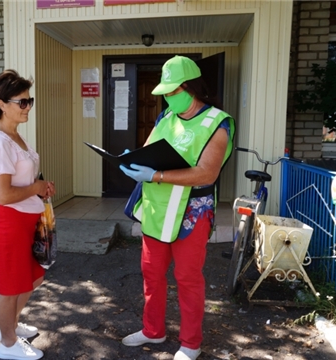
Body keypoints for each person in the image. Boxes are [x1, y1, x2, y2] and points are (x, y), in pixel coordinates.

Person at [119, 55, 235, 360]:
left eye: (173, 92)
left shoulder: (217, 124)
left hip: (191, 213)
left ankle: (190, 344)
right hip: (157, 208)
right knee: (152, 274)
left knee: (187, 278)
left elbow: (207, 173)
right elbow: (150, 152)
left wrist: (155, 175)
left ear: (191, 88)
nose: (169, 98)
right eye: (166, 93)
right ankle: (153, 331)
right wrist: (133, 161)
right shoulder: (165, 118)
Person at [0, 69, 55, 360]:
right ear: (2, 104)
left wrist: (40, 188)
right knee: (11, 288)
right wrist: (35, 186)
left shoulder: (15, 137)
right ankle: (8, 345)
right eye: (22, 102)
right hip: (9, 224)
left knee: (34, 278)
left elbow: (22, 182)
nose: (27, 107)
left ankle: (8, 327)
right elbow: (4, 194)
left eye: (29, 101)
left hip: (27, 221)